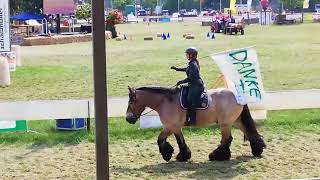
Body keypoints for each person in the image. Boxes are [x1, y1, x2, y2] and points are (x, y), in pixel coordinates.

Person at [171, 47, 205, 125]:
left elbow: (191, 78)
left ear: (191, 55)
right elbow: (187, 69)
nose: (186, 56)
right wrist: (177, 69)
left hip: (196, 86)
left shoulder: (193, 64)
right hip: (193, 84)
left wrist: (181, 81)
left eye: (187, 54)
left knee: (190, 101)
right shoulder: (192, 63)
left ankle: (193, 121)